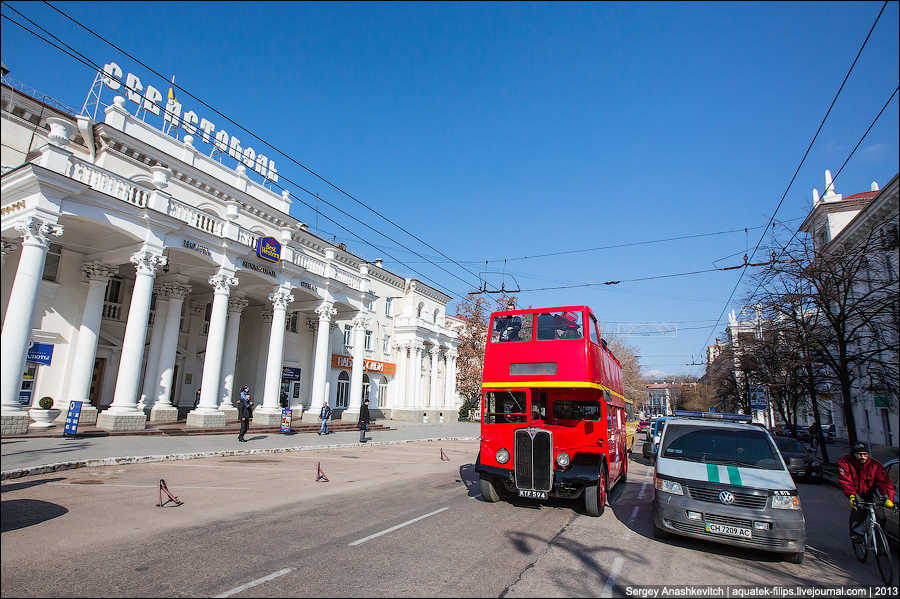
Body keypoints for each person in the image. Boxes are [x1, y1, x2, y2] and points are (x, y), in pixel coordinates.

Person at [838, 442, 895, 541]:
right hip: (855, 491)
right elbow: (845, 481)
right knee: (859, 509)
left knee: (880, 514)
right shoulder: (845, 463)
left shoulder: (875, 465)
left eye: (865, 454)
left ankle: (880, 540)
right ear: (853, 454)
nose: (863, 457)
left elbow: (884, 481)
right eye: (859, 454)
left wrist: (888, 497)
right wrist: (851, 495)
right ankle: (857, 534)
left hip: (871, 490)